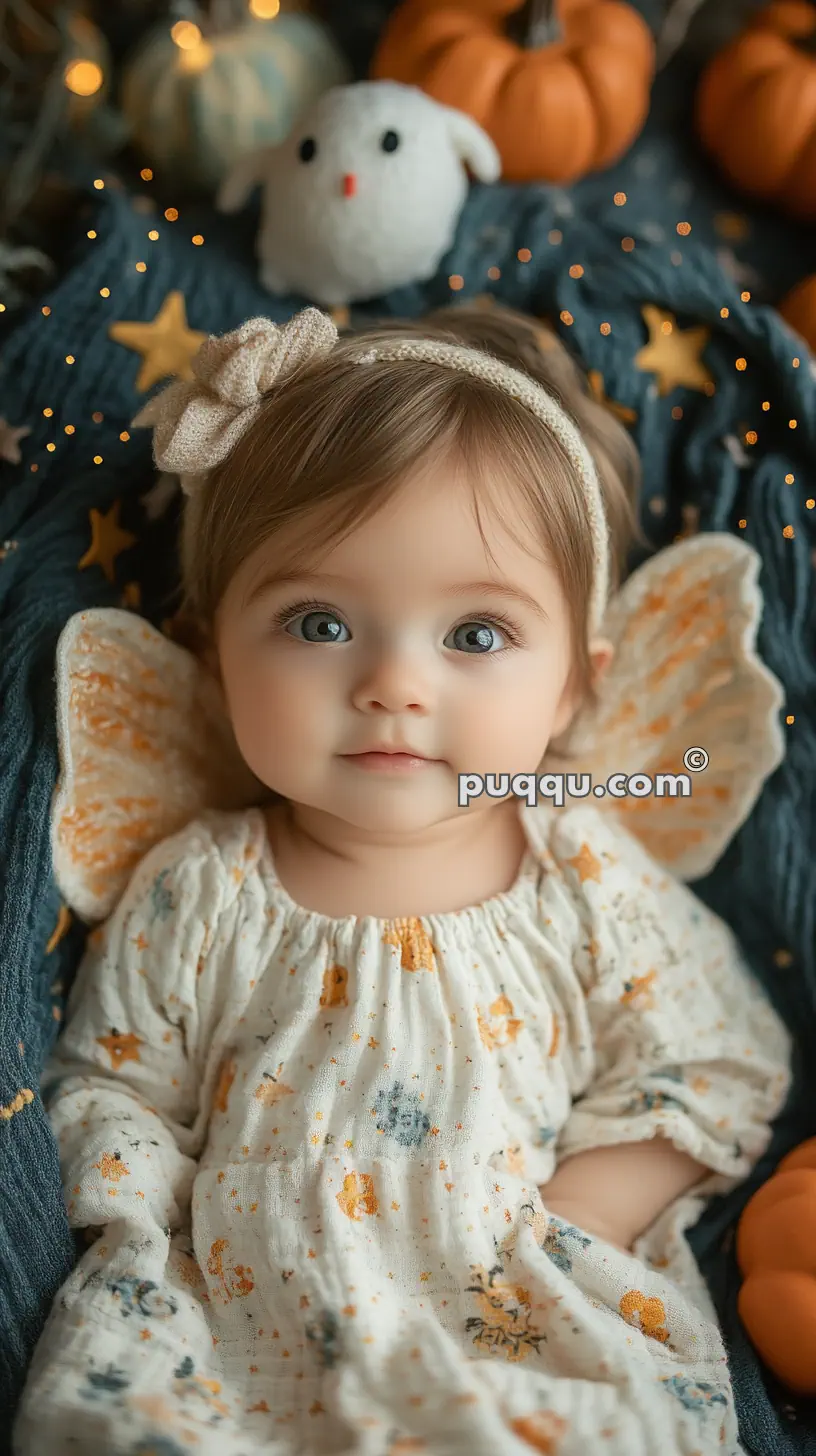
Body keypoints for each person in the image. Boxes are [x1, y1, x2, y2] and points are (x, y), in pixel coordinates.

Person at [15, 303, 790, 1456]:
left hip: (521, 1315)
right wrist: (152, 1227)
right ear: (214, 657)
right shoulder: (200, 892)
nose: (392, 683)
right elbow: (111, 1089)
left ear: (575, 689)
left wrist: (589, 1210)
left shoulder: (573, 865)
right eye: (318, 620)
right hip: (247, 1332)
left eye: (476, 634)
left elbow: (717, 1053)